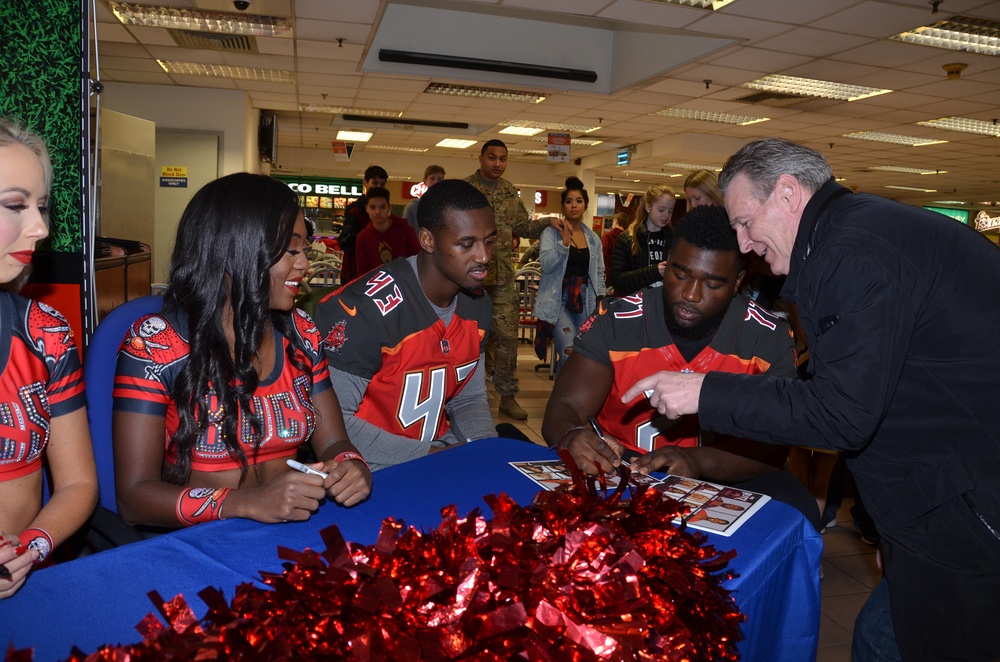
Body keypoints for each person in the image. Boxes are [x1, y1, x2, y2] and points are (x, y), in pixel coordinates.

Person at [629, 138, 1000, 662]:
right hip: (944, 493)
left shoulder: (852, 253)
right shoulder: (858, 230)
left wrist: (704, 391)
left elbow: (842, 414)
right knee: (881, 637)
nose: (743, 243)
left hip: (970, 506)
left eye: (744, 223)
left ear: (786, 193)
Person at [112, 173, 371, 531]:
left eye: (304, 250)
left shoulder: (303, 334)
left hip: (290, 528)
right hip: (198, 543)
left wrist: (351, 464)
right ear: (237, 253)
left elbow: (334, 441)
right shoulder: (157, 345)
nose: (305, 265)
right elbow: (134, 497)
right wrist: (247, 503)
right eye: (292, 250)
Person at [542, 206, 817, 527]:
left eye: (713, 284)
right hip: (622, 464)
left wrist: (696, 460)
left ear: (738, 281)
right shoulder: (616, 319)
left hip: (724, 471)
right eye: (680, 274)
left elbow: (772, 449)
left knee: (798, 509)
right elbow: (565, 406)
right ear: (666, 265)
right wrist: (573, 434)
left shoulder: (767, 338)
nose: (690, 294)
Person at [314, 179, 498, 471]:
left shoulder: (478, 303)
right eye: (467, 244)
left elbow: (468, 397)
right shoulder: (362, 310)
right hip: (370, 472)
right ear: (427, 240)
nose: (484, 256)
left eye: (489, 240)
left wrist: (486, 451)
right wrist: (435, 455)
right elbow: (330, 425)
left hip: (437, 456)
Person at [0, 119, 98, 599]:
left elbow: (78, 482)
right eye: (16, 206)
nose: (39, 229)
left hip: (28, 584)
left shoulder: (46, 332)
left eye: (41, 207)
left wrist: (29, 550)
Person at [464, 139, 564, 421]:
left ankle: (507, 397)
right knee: (469, 340)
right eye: (492, 157)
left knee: (507, 338)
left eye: (503, 159)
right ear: (481, 158)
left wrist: (548, 222)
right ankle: (465, 400)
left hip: (503, 279)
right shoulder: (466, 189)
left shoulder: (509, 191)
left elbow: (524, 226)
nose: (497, 163)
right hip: (471, 281)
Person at [536, 177, 604, 376]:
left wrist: (600, 298)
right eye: (569, 201)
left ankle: (567, 398)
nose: (574, 205)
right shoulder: (551, 233)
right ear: (563, 206)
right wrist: (563, 243)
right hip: (559, 300)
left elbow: (599, 272)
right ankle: (562, 402)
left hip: (586, 300)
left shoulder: (593, 238)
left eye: (579, 201)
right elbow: (547, 265)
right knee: (569, 351)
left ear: (585, 206)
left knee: (583, 354)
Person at [608, 183, 675, 296]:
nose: (666, 215)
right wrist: (655, 272)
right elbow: (617, 281)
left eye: (670, 211)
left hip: (665, 304)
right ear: (648, 207)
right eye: (661, 210)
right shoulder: (627, 239)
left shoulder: (675, 238)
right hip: (636, 305)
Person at [353, 187, 420, 278]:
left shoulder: (405, 230)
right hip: (377, 288)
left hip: (405, 285)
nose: (377, 212)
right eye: (373, 207)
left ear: (389, 208)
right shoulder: (363, 238)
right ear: (367, 208)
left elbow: (417, 261)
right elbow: (362, 273)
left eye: (382, 207)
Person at [338, 165, 388, 284]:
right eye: (375, 183)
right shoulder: (356, 211)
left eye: (382, 184)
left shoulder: (383, 212)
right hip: (354, 275)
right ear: (365, 183)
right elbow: (345, 242)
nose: (378, 187)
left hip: (374, 274)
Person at [403, 165, 445, 235]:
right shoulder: (412, 208)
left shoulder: (448, 207)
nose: (436, 182)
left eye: (439, 179)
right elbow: (404, 234)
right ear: (425, 181)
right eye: (432, 178)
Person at [600, 211, 628, 286]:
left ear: (616, 221)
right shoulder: (628, 238)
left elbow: (602, 255)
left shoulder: (607, 236)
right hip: (624, 276)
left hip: (608, 275)